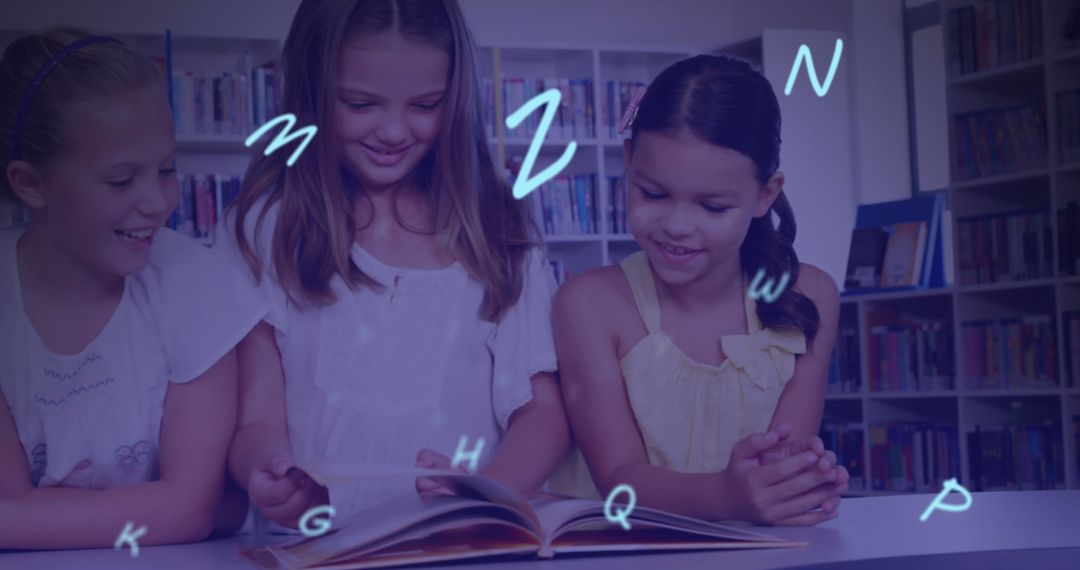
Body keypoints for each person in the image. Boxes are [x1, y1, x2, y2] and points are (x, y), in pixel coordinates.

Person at [218, 0, 569, 528]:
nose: (394, 132)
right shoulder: (263, 228)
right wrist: (266, 471)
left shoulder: (497, 227)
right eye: (361, 104)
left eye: (426, 105)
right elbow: (257, 420)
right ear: (312, 92)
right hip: (313, 550)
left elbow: (542, 415)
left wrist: (488, 490)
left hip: (468, 546)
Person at [547, 54, 849, 526]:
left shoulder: (812, 295)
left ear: (766, 194)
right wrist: (726, 496)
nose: (677, 226)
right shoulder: (589, 304)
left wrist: (797, 482)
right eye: (654, 194)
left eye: (712, 206)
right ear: (628, 163)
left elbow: (779, 467)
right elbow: (618, 479)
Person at [0, 29, 264, 548]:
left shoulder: (194, 285)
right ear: (30, 183)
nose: (158, 202)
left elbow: (189, 511)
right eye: (121, 181)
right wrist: (163, 508)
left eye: (167, 169)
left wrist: (28, 516)